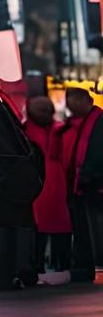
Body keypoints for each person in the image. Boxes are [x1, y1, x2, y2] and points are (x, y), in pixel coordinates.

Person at [23, 96, 70, 280]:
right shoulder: (58, 129)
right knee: (49, 227)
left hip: (53, 183)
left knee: (53, 227)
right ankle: (50, 263)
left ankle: (46, 263)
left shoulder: (26, 130)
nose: (46, 114)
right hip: (44, 182)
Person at [64, 88, 103, 282]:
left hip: (92, 185)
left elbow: (95, 152)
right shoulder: (88, 122)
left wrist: (89, 175)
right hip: (84, 184)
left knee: (92, 228)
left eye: (72, 102)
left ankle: (87, 264)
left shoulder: (97, 123)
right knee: (84, 229)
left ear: (83, 101)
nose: (69, 107)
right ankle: (84, 264)